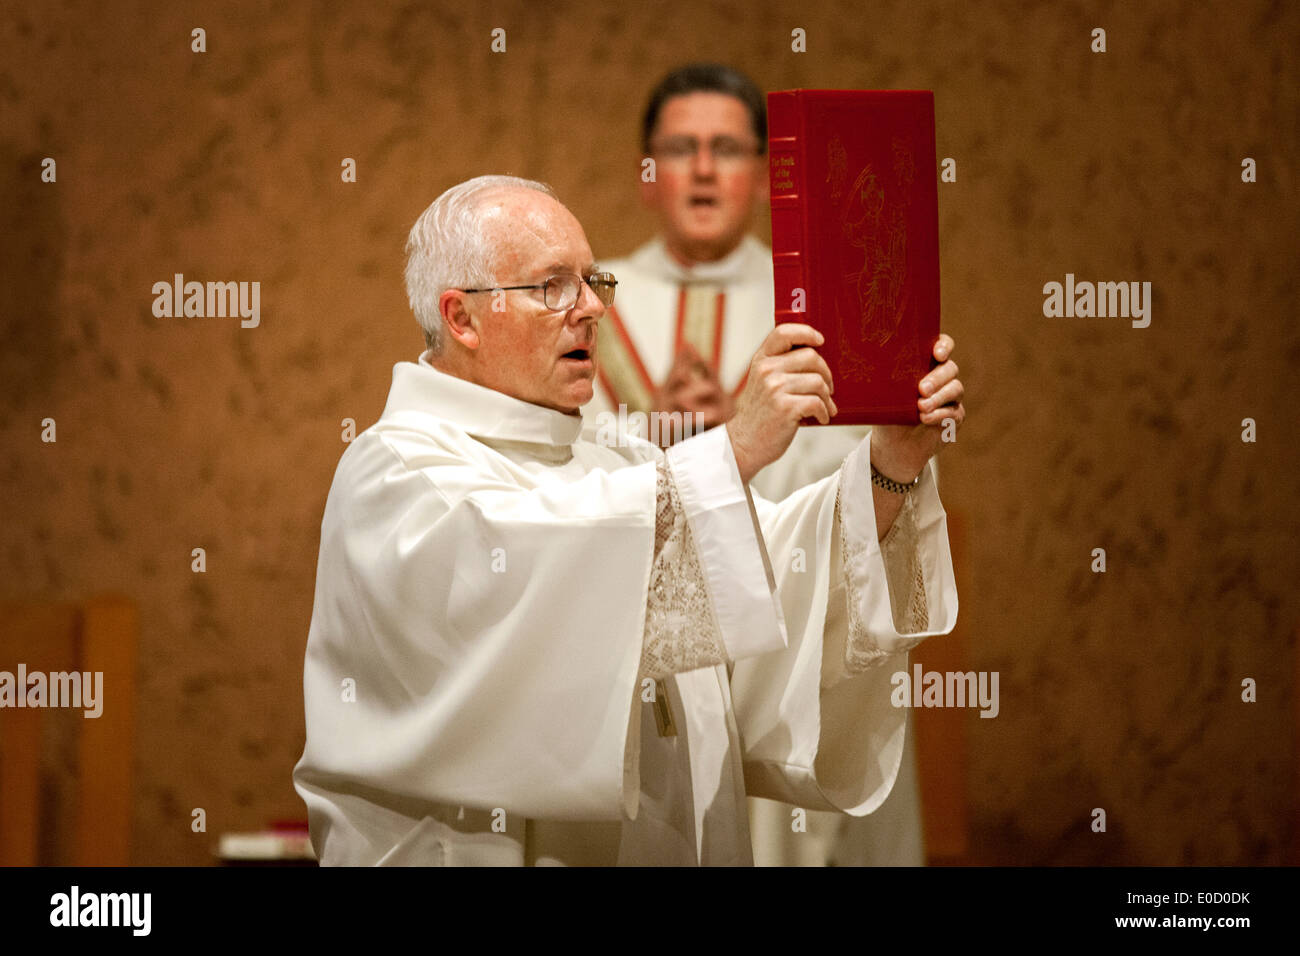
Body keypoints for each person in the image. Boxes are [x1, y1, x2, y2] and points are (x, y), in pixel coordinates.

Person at [292, 174, 964, 866]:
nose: (589, 309)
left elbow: (783, 570)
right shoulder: (397, 471)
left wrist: (892, 465)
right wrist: (735, 447)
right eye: (551, 286)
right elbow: (536, 565)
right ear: (461, 318)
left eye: (592, 281)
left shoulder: (613, 459)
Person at [591, 63, 929, 865]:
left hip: (789, 631)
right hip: (652, 654)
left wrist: (736, 436)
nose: (703, 168)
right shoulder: (586, 300)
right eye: (680, 147)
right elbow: (568, 478)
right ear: (647, 173)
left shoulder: (815, 299)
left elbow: (844, 485)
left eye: (727, 149)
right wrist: (666, 438)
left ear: (763, 171)